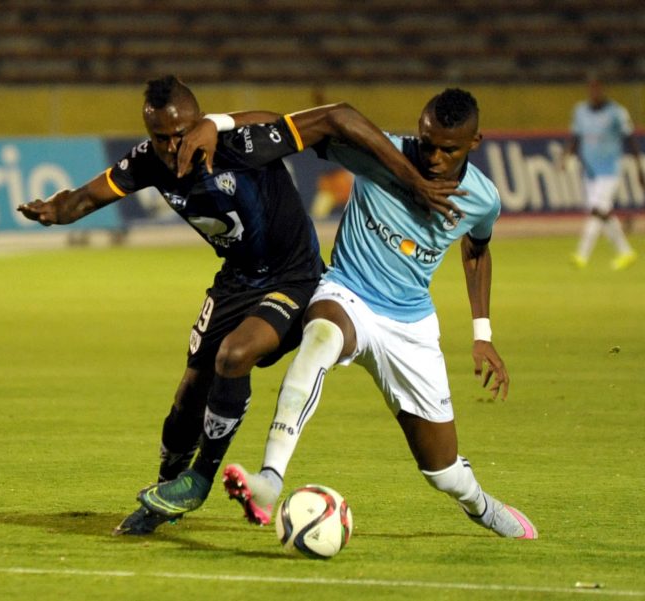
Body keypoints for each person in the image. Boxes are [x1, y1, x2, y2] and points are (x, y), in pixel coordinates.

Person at [17, 75, 461, 536]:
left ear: (199, 120)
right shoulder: (151, 162)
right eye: (161, 137)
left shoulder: (241, 145)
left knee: (235, 354)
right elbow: (89, 197)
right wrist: (54, 210)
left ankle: (202, 478)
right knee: (186, 403)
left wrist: (413, 181)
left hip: (295, 276)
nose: (173, 145)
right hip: (236, 282)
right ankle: (166, 493)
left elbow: (337, 116)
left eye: (182, 132)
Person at [180, 88, 538, 539]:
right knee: (321, 336)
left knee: (441, 470)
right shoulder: (381, 153)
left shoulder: (482, 199)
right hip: (347, 292)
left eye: (448, 149)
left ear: (474, 143)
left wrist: (482, 333)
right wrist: (218, 121)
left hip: (410, 326)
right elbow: (291, 124)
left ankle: (480, 504)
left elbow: (478, 249)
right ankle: (270, 478)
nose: (434, 156)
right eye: (427, 142)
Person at [564, 76, 645, 270]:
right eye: (591, 89)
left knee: (598, 211)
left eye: (597, 89)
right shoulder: (580, 111)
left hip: (610, 170)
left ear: (602, 90)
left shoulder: (617, 113)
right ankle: (626, 252)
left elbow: (630, 140)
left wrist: (639, 168)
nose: (594, 93)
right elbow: (576, 138)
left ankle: (581, 255)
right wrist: (565, 157)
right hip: (590, 172)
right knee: (602, 212)